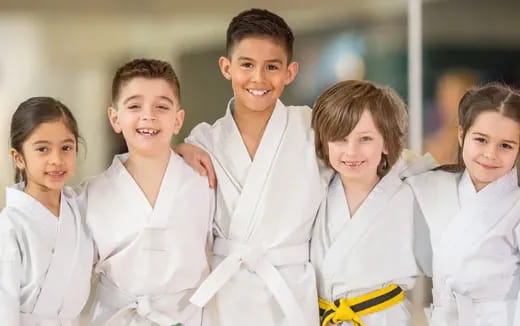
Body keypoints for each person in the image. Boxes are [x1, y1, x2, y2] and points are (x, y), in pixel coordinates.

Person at [176, 8, 331, 326]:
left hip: (289, 289)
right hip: (227, 293)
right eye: (247, 65)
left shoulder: (313, 128)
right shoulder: (203, 140)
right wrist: (177, 153)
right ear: (226, 67)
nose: (258, 78)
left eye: (272, 67)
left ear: (290, 72)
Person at [82, 58, 214, 326]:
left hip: (188, 318)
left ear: (178, 120)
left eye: (162, 107)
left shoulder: (204, 182)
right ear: (115, 118)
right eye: (134, 106)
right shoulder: (90, 195)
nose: (148, 116)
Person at [311, 80, 432, 326]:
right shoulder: (315, 191)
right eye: (339, 139)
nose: (351, 152)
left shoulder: (413, 195)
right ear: (324, 142)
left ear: (386, 142)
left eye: (365, 139)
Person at [407, 83, 520, 325]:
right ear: (461, 135)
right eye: (481, 140)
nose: (490, 154)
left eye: (506, 146)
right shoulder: (433, 184)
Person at [0, 97, 93, 325]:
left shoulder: (80, 207)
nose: (56, 160)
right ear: (19, 157)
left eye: (66, 148)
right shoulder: (10, 225)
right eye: (42, 149)